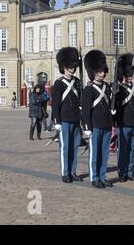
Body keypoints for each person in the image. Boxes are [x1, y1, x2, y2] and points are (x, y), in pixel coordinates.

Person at [82, 50, 113, 189]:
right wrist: (87, 127)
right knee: (94, 154)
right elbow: (86, 110)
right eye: (99, 71)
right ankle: (94, 178)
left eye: (103, 71)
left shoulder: (107, 87)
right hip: (95, 125)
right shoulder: (89, 89)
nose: (102, 73)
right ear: (93, 71)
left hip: (106, 124)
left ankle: (102, 176)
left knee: (104, 153)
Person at [52, 47, 83, 184]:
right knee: (65, 147)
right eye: (70, 66)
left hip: (76, 118)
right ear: (64, 67)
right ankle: (65, 172)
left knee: (75, 146)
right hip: (64, 119)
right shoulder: (59, 83)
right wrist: (56, 120)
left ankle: (73, 171)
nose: (73, 69)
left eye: (74, 66)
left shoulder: (77, 82)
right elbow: (55, 104)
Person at [115, 53, 134, 183]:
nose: (131, 77)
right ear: (124, 76)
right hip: (124, 122)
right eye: (129, 75)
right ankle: (122, 172)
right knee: (123, 149)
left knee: (132, 148)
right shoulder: (120, 90)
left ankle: (130, 170)